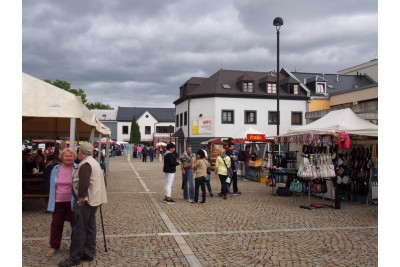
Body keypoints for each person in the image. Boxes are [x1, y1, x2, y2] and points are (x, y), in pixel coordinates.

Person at [58, 142, 107, 267]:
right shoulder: (94, 162)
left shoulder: (85, 164)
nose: (78, 153)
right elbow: (103, 181)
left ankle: (74, 257)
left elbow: (83, 183)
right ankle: (88, 253)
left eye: (79, 151)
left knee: (79, 229)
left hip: (85, 201)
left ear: (81, 152)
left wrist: (80, 197)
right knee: (90, 227)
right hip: (94, 199)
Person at [46, 148, 77, 257]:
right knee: (56, 224)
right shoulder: (55, 169)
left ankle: (75, 247)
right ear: (62, 157)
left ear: (74, 157)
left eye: (71, 156)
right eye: (66, 156)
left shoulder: (77, 168)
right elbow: (52, 186)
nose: (68, 158)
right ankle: (54, 246)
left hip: (72, 201)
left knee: (75, 224)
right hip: (58, 201)